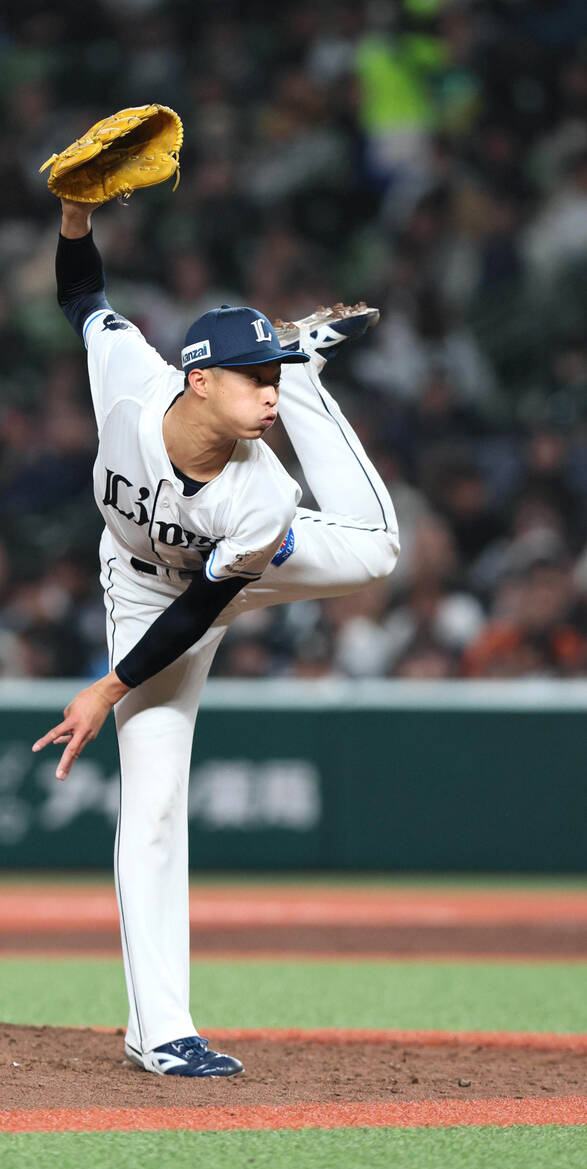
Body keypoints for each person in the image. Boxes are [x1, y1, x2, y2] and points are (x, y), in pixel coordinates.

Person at [32, 197, 400, 1077]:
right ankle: (161, 1032)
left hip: (225, 571)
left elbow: (203, 608)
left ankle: (319, 373)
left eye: (273, 375)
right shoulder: (128, 374)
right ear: (199, 379)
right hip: (139, 583)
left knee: (378, 549)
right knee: (154, 800)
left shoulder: (262, 491)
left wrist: (105, 687)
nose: (261, 393)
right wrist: (75, 218)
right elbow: (84, 295)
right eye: (257, 377)